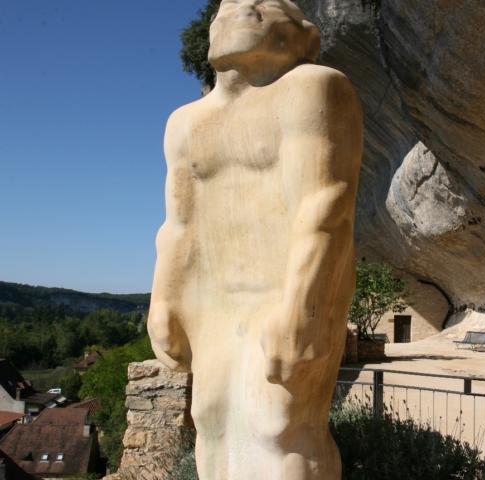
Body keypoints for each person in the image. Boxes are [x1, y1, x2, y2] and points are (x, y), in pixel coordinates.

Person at [148, 1, 362, 478]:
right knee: (212, 420)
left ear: (304, 36)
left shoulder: (313, 89)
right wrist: (163, 300)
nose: (243, 9)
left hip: (284, 293)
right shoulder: (184, 123)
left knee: (281, 426)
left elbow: (326, 205)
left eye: (266, 4)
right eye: (232, 4)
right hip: (213, 303)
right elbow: (179, 225)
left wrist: (302, 307)